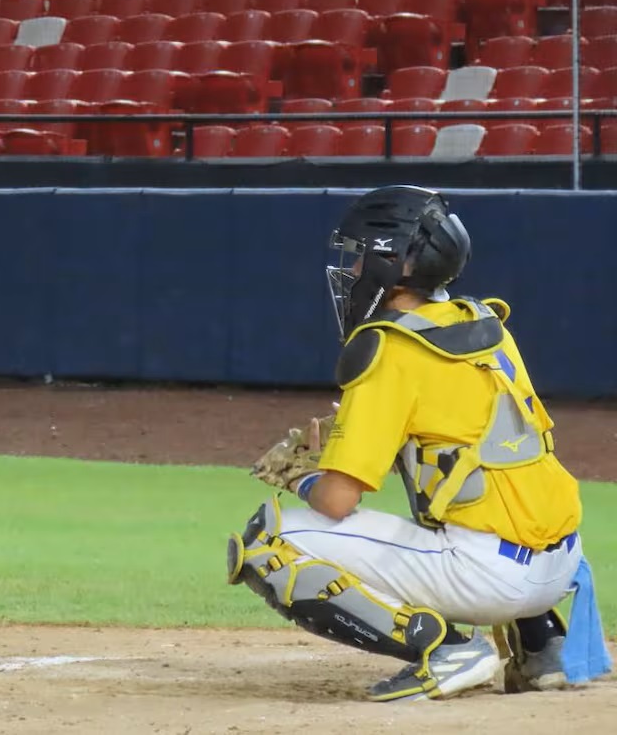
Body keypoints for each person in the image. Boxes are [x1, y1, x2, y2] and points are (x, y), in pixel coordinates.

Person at [229, 185, 599, 701]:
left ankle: (446, 649)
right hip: (562, 565)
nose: (353, 269)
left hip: (489, 578)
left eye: (360, 256)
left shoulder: (390, 348)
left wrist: (305, 477)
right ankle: (542, 644)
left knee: (267, 543)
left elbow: (337, 501)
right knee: (471, 488)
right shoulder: (484, 323)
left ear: (395, 264)